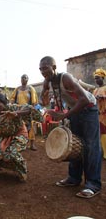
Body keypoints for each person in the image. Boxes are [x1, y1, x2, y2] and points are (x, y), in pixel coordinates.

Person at [39, 56, 102, 199]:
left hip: (88, 109)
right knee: (74, 144)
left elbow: (84, 100)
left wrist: (64, 115)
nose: (43, 72)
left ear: (54, 67)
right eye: (41, 69)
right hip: (75, 110)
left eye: (46, 68)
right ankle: (74, 178)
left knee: (91, 146)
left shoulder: (65, 78)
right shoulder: (48, 82)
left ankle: (93, 184)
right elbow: (44, 101)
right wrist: (45, 96)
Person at [10, 74, 39, 150]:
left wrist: (31, 108)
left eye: (25, 78)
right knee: (18, 126)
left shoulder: (31, 89)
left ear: (27, 79)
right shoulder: (17, 89)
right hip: (18, 111)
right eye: (22, 78)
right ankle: (19, 143)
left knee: (30, 127)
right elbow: (12, 98)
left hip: (27, 111)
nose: (23, 79)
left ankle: (32, 144)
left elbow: (34, 101)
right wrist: (12, 105)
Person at [93, 68, 106, 159]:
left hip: (104, 114)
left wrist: (103, 97)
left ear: (103, 78)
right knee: (100, 134)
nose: (96, 80)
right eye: (95, 78)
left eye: (98, 78)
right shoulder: (95, 90)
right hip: (97, 115)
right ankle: (103, 152)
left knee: (104, 132)